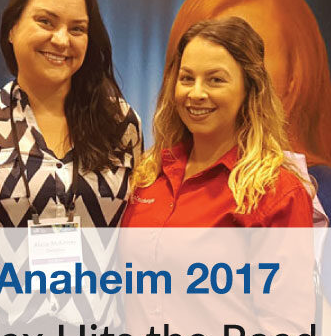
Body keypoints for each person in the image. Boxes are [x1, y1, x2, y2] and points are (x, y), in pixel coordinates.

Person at [166, 0, 331, 228]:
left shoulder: (319, 196)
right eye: (188, 75)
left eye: (248, 55)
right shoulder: (152, 177)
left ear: (296, 74)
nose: (199, 92)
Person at [0, 0, 141, 229]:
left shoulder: (120, 122)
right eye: (46, 22)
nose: (61, 40)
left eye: (77, 29)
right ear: (12, 29)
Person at [122, 16, 313, 227]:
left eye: (216, 80)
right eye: (187, 78)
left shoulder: (279, 193)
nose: (196, 93)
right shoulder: (148, 174)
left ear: (249, 90)